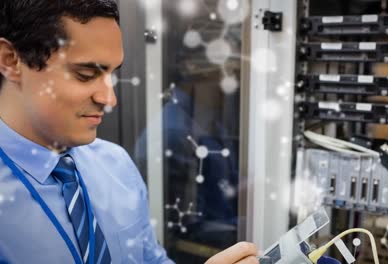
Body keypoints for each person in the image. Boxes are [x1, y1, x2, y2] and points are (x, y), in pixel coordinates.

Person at [0, 1, 259, 263]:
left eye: (111, 75)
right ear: (11, 60)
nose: (109, 99)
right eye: (86, 74)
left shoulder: (115, 165)